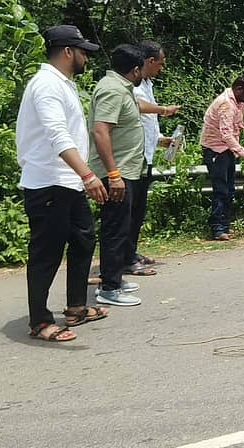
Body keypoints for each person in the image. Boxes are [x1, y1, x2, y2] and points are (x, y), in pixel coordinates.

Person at [15, 25, 109, 341]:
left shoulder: (62, 83)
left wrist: (80, 177)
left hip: (66, 181)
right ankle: (40, 322)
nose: (86, 57)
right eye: (83, 51)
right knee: (47, 251)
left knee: (84, 239)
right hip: (48, 182)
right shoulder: (45, 85)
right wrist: (88, 174)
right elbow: (58, 136)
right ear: (68, 52)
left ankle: (75, 307)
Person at [88, 43, 147, 306]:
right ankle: (109, 288)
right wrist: (113, 174)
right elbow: (100, 131)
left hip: (127, 171)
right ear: (135, 70)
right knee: (114, 229)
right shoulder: (112, 90)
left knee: (121, 228)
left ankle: (116, 279)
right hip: (117, 173)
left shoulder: (121, 88)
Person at [127, 40, 181, 274]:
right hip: (133, 156)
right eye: (160, 64)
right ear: (149, 61)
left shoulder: (146, 83)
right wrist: (163, 109)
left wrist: (161, 139)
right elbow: (136, 105)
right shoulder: (133, 83)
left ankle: (131, 251)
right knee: (128, 212)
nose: (161, 68)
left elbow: (147, 121)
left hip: (146, 154)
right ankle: (124, 258)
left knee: (138, 211)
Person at [201, 74, 244, 241]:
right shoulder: (226, 104)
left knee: (229, 189)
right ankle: (217, 228)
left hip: (226, 150)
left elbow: (234, 129)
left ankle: (224, 225)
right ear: (238, 89)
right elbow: (226, 134)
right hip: (216, 150)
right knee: (221, 189)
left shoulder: (236, 102)